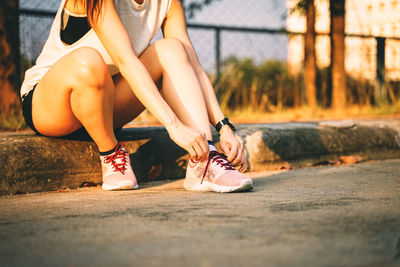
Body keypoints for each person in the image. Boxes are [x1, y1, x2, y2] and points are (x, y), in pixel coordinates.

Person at [20, 0, 254, 193]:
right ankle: (110, 153)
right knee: (89, 61)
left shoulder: (168, 3)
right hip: (52, 106)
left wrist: (224, 127)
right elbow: (126, 61)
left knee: (173, 49)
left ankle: (204, 161)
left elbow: (193, 66)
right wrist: (174, 126)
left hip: (104, 105)